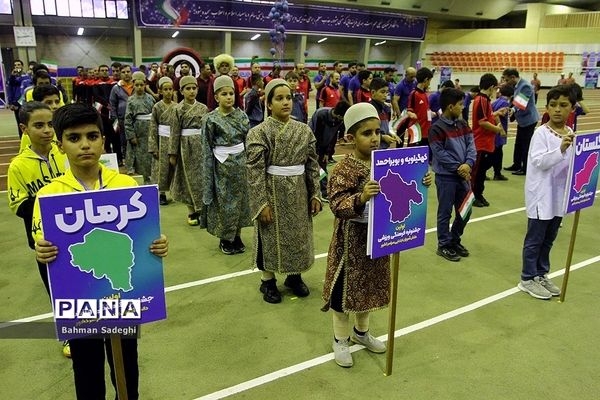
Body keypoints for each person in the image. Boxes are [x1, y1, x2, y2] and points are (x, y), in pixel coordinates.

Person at [32, 103, 168, 400]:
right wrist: (41, 253)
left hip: (123, 294)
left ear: (103, 140)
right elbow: (45, 250)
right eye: (74, 137)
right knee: (86, 364)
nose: (85, 145)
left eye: (92, 136)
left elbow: (143, 238)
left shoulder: (126, 185)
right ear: (60, 144)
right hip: (80, 294)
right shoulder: (49, 195)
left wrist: (157, 245)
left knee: (127, 361)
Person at [322, 102, 431, 368]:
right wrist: (360, 197)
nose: (374, 138)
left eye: (376, 132)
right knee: (344, 293)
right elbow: (336, 204)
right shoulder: (342, 170)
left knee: (369, 289)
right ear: (350, 137)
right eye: (366, 133)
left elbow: (405, 187)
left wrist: (422, 180)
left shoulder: (387, 162)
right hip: (351, 243)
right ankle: (340, 340)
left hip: (379, 239)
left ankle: (362, 333)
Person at [246, 79, 322, 304]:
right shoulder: (258, 133)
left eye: (288, 97)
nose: (285, 102)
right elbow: (254, 171)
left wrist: (315, 193)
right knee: (270, 236)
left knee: (298, 235)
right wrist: (261, 203)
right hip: (272, 192)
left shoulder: (304, 130)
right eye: (279, 98)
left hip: (299, 191)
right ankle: (267, 280)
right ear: (268, 104)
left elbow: (312, 164)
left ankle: (294, 276)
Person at [7, 102, 67, 359]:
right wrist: (48, 201)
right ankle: (68, 334)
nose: (46, 131)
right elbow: (17, 203)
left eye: (50, 124)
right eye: (38, 125)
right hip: (45, 240)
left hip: (75, 231)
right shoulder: (18, 165)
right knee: (58, 289)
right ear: (24, 128)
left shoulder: (64, 153)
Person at [517, 85, 575, 300]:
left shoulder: (570, 132)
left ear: (572, 108)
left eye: (563, 105)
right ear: (547, 108)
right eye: (553, 105)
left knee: (549, 239)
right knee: (535, 239)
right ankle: (527, 278)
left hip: (559, 196)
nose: (558, 109)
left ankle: (541, 273)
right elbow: (538, 161)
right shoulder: (541, 133)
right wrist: (560, 149)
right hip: (542, 195)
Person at [201, 75, 252, 254]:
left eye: (231, 93)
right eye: (224, 94)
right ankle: (226, 238)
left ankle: (237, 235)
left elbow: (248, 141)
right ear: (216, 97)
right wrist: (208, 171)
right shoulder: (210, 119)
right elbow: (206, 147)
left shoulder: (241, 116)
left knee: (240, 202)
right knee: (225, 203)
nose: (229, 97)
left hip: (241, 165)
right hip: (221, 167)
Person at [429, 88, 477, 262]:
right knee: (445, 212)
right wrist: (460, 167)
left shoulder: (463, 124)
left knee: (466, 211)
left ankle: (454, 239)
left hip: (463, 175)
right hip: (446, 177)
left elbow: (471, 145)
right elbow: (440, 154)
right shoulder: (436, 128)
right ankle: (443, 245)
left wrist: (469, 163)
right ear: (450, 106)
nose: (463, 107)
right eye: (460, 104)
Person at [168, 75, 209, 226]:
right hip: (185, 148)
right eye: (188, 88)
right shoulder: (177, 109)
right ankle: (191, 210)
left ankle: (203, 210)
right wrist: (173, 153)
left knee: (202, 178)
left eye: (194, 88)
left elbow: (207, 130)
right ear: (181, 91)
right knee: (186, 178)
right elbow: (174, 132)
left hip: (201, 146)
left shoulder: (203, 108)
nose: (191, 91)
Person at [470, 73, 507, 208]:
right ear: (491, 87)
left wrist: (496, 114)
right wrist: (497, 129)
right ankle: (473, 196)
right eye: (495, 88)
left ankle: (479, 194)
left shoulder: (485, 101)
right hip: (481, 142)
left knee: (482, 172)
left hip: (486, 143)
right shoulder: (481, 100)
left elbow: (487, 117)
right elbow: (482, 122)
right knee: (477, 173)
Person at [308, 101, 350, 199]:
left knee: (322, 169)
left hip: (323, 146)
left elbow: (334, 136)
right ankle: (320, 193)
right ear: (339, 115)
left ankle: (323, 192)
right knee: (317, 168)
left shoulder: (339, 120)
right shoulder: (321, 115)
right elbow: (316, 135)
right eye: (343, 118)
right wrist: (317, 153)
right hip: (311, 144)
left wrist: (328, 153)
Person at [502, 68, 540, 176]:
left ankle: (525, 168)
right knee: (518, 143)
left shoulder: (526, 86)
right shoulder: (516, 86)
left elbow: (521, 102)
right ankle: (517, 164)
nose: (505, 82)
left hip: (529, 120)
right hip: (522, 120)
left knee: (525, 144)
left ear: (513, 77)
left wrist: (512, 109)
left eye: (507, 79)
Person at [148, 76, 176, 205]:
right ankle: (162, 193)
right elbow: (153, 127)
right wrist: (154, 147)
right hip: (161, 140)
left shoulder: (177, 107)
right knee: (161, 168)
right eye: (165, 89)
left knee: (174, 168)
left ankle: (175, 191)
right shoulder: (157, 107)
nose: (168, 92)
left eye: (170, 89)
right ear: (160, 91)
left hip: (174, 139)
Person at [124, 71, 155, 182]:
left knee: (151, 156)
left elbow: (155, 115)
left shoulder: (150, 98)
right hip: (138, 132)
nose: (139, 87)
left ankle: (152, 180)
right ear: (133, 84)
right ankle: (142, 180)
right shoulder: (131, 100)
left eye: (141, 85)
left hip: (150, 131)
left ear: (145, 84)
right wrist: (131, 135)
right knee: (140, 157)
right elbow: (128, 119)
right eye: (137, 85)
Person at [92, 64, 120, 164]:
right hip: (102, 113)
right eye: (102, 70)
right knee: (105, 136)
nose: (104, 72)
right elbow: (97, 97)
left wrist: (112, 105)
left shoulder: (113, 83)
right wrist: (107, 104)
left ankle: (119, 158)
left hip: (113, 113)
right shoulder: (96, 84)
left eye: (106, 70)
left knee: (115, 136)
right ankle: (108, 158)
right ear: (99, 72)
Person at [110, 64, 134, 169]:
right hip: (122, 120)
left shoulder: (136, 85)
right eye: (123, 72)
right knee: (124, 142)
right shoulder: (116, 88)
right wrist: (115, 121)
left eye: (128, 71)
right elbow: (112, 105)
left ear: (131, 72)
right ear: (120, 74)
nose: (126, 74)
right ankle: (126, 163)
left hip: (136, 120)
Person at [491, 84, 514, 181]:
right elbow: (497, 116)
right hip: (498, 131)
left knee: (494, 152)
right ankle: (497, 173)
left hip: (494, 130)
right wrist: (502, 130)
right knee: (497, 153)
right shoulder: (505, 103)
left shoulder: (496, 101)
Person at [369, 77, 399, 149]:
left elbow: (384, 128)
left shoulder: (384, 107)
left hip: (383, 148)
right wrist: (383, 137)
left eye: (387, 92)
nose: (385, 95)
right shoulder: (370, 110)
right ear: (373, 92)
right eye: (382, 92)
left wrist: (390, 134)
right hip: (374, 149)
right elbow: (368, 132)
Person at [407, 67, 433, 148]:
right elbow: (409, 110)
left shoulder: (425, 94)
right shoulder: (414, 94)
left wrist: (430, 113)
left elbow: (426, 109)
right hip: (416, 133)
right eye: (429, 80)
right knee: (412, 155)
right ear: (426, 80)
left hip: (426, 132)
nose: (429, 83)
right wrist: (411, 114)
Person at [7, 59, 28, 136]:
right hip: (17, 104)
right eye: (15, 65)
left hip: (26, 103)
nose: (17, 66)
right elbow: (10, 90)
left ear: (22, 66)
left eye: (18, 65)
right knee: (20, 124)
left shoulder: (26, 77)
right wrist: (11, 103)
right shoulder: (12, 78)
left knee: (27, 122)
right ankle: (22, 141)